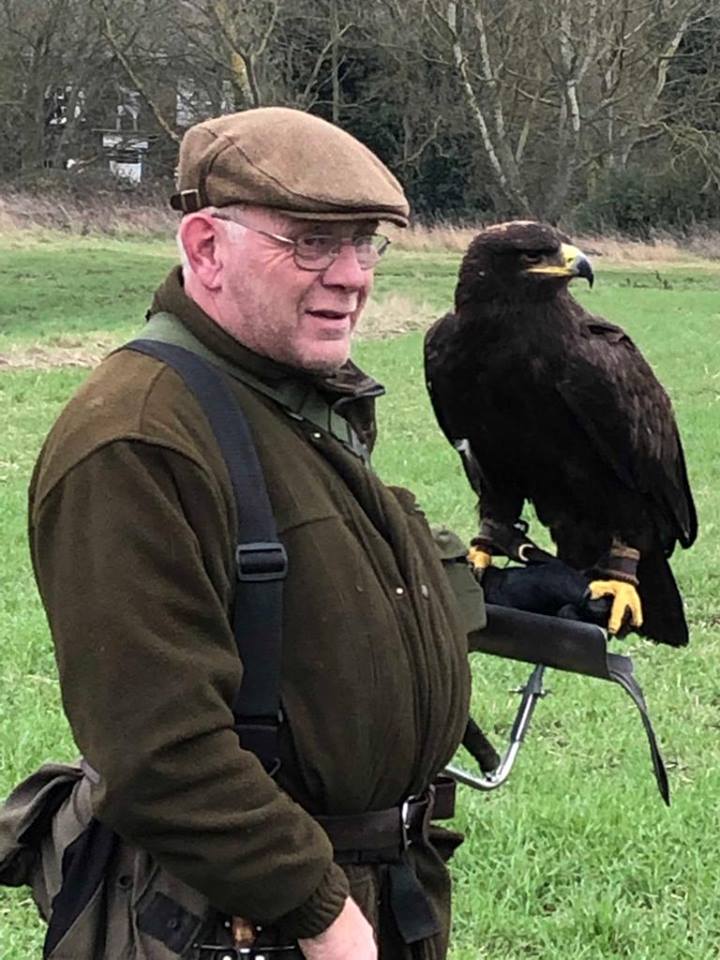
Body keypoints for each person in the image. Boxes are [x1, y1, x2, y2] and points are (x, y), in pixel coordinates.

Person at [6, 108, 602, 959]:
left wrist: (492, 594)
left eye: (365, 243)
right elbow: (158, 752)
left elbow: (334, 583)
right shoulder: (139, 437)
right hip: (233, 921)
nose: (352, 276)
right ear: (207, 248)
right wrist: (319, 911)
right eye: (312, 244)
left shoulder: (289, 398)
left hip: (368, 889)